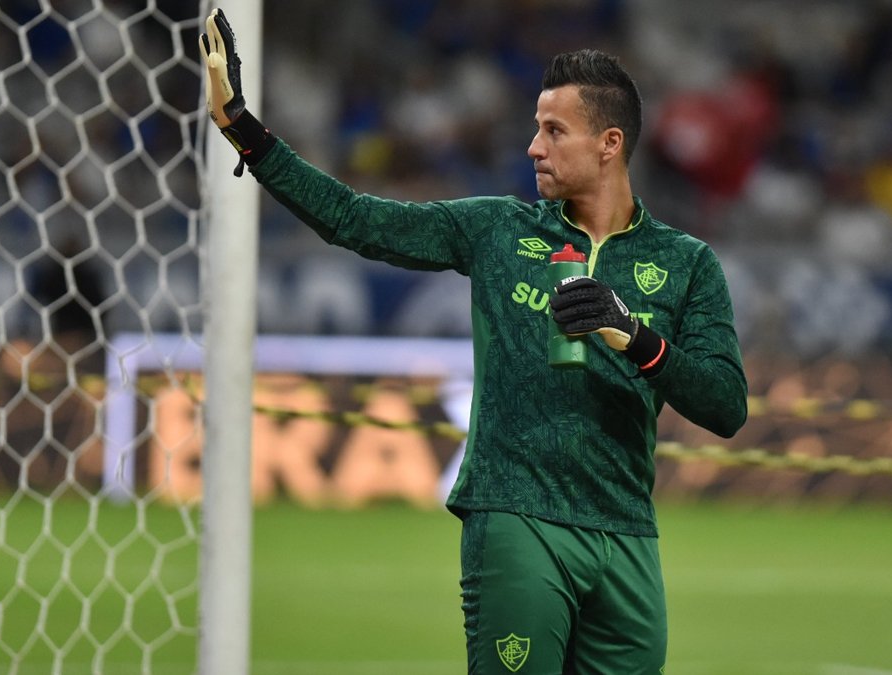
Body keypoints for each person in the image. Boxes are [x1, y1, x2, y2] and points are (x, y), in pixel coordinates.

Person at [200, 8, 747, 673]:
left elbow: (725, 404)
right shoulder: (497, 230)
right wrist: (242, 129)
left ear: (609, 143)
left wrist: (632, 334)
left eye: (553, 131)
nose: (532, 147)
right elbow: (355, 219)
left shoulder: (687, 262)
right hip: (517, 515)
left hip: (627, 533)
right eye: (535, 128)